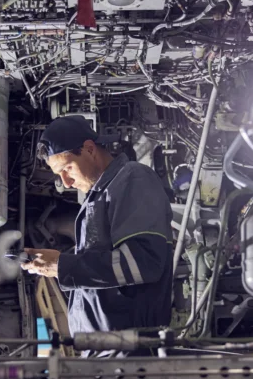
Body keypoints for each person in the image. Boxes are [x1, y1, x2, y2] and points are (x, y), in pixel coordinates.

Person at [22, 115, 173, 337]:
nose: (66, 183)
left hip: (129, 348)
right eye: (59, 175)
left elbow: (144, 261)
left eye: (68, 168)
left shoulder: (132, 178)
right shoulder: (101, 195)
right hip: (100, 350)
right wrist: (58, 262)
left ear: (90, 149)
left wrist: (63, 266)